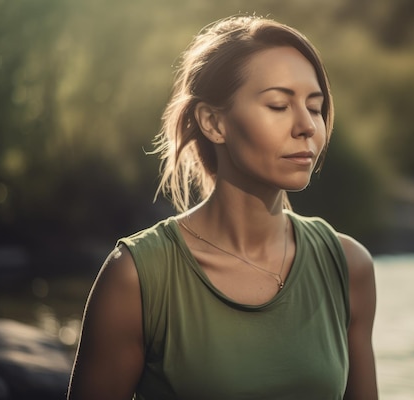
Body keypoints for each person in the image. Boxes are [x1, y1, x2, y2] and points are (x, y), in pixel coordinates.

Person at [67, 14, 378, 400]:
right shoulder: (137, 277)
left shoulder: (347, 267)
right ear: (214, 123)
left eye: (314, 107)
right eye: (279, 105)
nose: (307, 127)